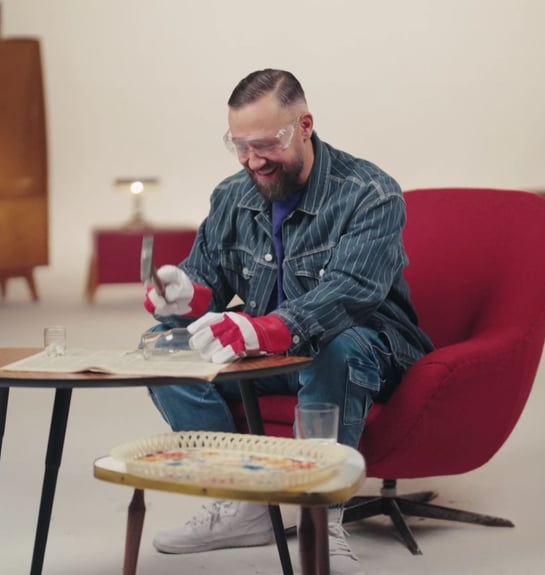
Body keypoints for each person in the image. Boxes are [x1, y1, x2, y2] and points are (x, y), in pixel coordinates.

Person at [143, 68, 433, 575]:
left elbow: (350, 293)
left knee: (335, 347)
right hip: (272, 350)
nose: (253, 160)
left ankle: (324, 517)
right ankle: (246, 502)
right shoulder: (233, 195)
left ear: (304, 125)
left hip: (368, 348)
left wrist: (264, 329)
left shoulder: (370, 192)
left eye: (266, 143)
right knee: (162, 345)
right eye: (239, 146)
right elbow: (207, 273)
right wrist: (183, 294)